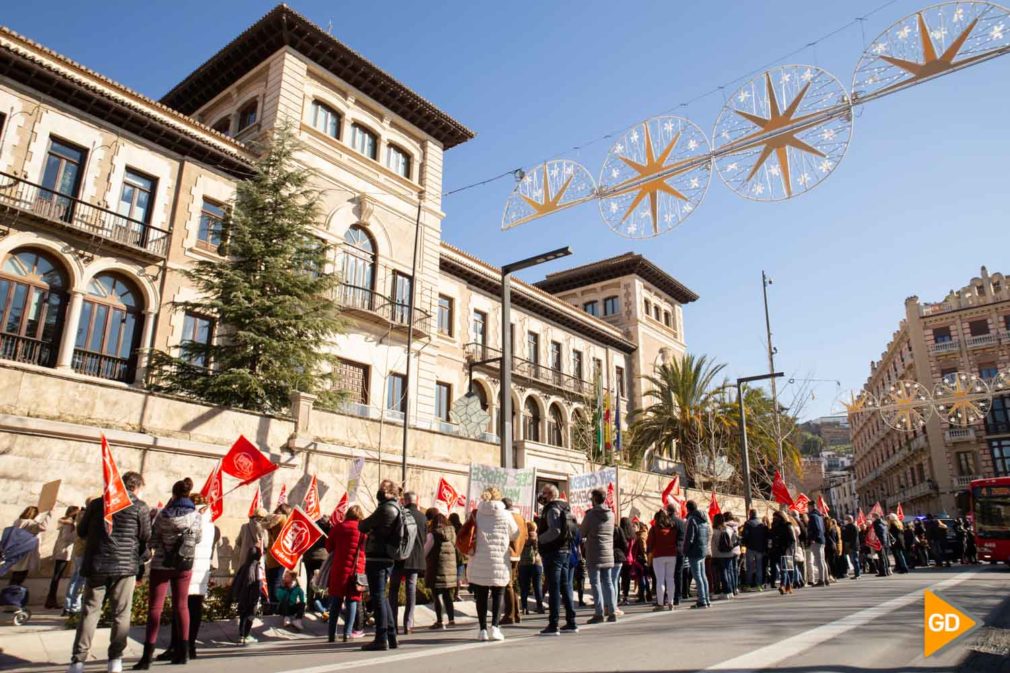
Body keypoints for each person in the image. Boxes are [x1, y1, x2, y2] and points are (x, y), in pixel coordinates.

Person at [68, 471, 150, 673]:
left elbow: (82, 531)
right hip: (125, 566)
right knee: (121, 614)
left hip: (97, 564)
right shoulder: (139, 506)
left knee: (89, 612)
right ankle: (115, 660)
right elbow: (146, 535)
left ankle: (78, 661)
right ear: (136, 487)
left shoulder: (98, 504)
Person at [136, 478, 203, 669]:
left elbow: (153, 541)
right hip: (184, 565)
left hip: (162, 565)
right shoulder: (196, 516)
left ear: (173, 494)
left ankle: (147, 656)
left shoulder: (164, 514)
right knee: (182, 607)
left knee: (155, 608)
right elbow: (197, 538)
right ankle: (183, 653)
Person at [155, 494, 217, 663]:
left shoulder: (189, 520)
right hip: (201, 572)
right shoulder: (212, 526)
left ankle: (176, 646)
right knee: (195, 611)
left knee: (180, 609)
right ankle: (190, 646)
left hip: (186, 569)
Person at [467, 486, 518, 642]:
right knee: (497, 595)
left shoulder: (476, 513)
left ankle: (482, 629)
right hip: (499, 561)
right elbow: (515, 534)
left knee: (481, 596)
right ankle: (495, 628)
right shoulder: (506, 514)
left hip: (479, 560)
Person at [358, 479, 401, 651]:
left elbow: (363, 525)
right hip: (388, 557)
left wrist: (369, 527)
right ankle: (391, 636)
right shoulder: (397, 507)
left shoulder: (386, 508)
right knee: (382, 597)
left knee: (378, 597)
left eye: (382, 489)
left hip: (378, 557)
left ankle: (381, 638)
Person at [536, 484, 579, 636]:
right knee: (565, 585)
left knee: (554, 587)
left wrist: (539, 539)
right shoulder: (565, 507)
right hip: (565, 550)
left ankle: (553, 624)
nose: (542, 496)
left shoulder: (552, 509)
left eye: (544, 493)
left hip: (554, 552)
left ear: (551, 494)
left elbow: (555, 530)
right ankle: (571, 621)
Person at [325, 504, 366, 642]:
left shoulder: (338, 528)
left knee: (336, 602)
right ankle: (347, 633)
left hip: (339, 569)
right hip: (356, 571)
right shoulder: (363, 530)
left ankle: (331, 634)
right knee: (352, 601)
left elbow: (329, 547)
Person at [389, 491, 426, 635]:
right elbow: (423, 538)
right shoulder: (423, 517)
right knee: (411, 591)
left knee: (393, 590)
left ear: (404, 501)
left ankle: (392, 621)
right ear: (416, 501)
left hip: (399, 558)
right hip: (415, 559)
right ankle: (408, 624)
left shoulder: (400, 514)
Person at [580, 488, 616, 624]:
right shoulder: (611, 515)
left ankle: (599, 613)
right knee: (608, 582)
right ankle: (612, 611)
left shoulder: (590, 515)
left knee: (595, 583)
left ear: (595, 499)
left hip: (594, 552)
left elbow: (582, 532)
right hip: (608, 552)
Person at [423, 506, 457, 629]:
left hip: (436, 568)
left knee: (437, 595)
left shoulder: (433, 534)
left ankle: (440, 621)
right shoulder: (452, 533)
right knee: (448, 595)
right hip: (450, 571)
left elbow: (425, 551)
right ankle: (452, 619)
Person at [499, 497, 528, 626]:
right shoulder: (521, 518)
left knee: (508, 584)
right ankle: (516, 613)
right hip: (517, 553)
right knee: (512, 584)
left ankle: (509, 614)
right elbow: (526, 536)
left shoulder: (507, 517)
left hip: (508, 552)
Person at [8, 505, 52, 586]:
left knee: (15, 573)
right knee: (21, 573)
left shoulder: (18, 521)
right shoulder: (30, 523)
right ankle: (14, 593)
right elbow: (43, 527)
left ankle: (10, 591)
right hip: (25, 551)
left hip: (17, 549)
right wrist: (48, 515)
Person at [46, 506, 80, 608]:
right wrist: (77, 532)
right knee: (57, 576)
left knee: (57, 576)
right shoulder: (68, 523)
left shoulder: (66, 522)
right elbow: (67, 537)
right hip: (63, 552)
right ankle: (51, 600)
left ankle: (51, 599)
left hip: (62, 552)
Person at [232, 545, 265, 645]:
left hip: (242, 596)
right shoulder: (257, 568)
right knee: (250, 616)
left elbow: (237, 582)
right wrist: (257, 598)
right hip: (252, 597)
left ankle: (241, 636)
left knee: (243, 616)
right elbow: (258, 584)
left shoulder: (244, 566)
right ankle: (247, 635)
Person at [646, 509, 677, 611]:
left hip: (658, 556)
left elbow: (650, 543)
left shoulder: (654, 529)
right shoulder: (672, 528)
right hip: (672, 555)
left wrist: (649, 557)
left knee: (660, 580)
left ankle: (660, 604)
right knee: (670, 579)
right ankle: (671, 602)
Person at [64, 502, 90, 616]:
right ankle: (74, 606)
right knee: (80, 580)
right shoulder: (84, 516)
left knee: (76, 579)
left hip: (80, 551)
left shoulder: (81, 516)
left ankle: (69, 605)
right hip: (83, 550)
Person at [683, 501, 711, 608]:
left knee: (698, 576)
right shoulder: (703, 519)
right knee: (703, 576)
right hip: (702, 550)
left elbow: (690, 537)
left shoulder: (692, 520)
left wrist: (685, 551)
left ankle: (702, 600)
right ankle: (706, 599)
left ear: (688, 509)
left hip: (694, 551)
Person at [303, 513, 331, 618]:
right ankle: (321, 602)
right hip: (323, 556)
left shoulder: (312, 526)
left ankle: (310, 603)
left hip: (309, 556)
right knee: (323, 580)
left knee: (310, 580)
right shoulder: (330, 528)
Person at [264, 504, 292, 605]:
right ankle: (277, 606)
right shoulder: (283, 520)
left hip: (270, 554)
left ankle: (272, 605)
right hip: (280, 554)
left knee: (271, 582)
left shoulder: (270, 519)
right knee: (277, 581)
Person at [518, 521, 544, 614]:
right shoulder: (537, 537)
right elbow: (538, 549)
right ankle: (540, 607)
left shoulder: (521, 537)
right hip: (536, 563)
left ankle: (524, 608)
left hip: (523, 564)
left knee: (524, 587)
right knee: (537, 586)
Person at [741, 509, 768, 591]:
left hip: (750, 547)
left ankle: (748, 585)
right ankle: (759, 585)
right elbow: (765, 537)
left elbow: (745, 535)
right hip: (760, 548)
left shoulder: (747, 523)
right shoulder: (761, 524)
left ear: (750, 514)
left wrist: (744, 543)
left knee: (750, 567)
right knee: (759, 567)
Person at [771, 510, 796, 595]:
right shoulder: (774, 526)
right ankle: (788, 586)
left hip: (784, 550)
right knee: (783, 568)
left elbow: (792, 539)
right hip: (776, 550)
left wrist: (787, 548)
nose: (774, 519)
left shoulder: (787, 525)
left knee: (783, 569)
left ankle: (782, 585)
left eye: (776, 517)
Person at [667, 504, 688, 606]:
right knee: (678, 574)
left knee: (669, 575)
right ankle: (678, 597)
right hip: (680, 549)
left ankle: (669, 596)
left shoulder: (667, 521)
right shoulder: (681, 522)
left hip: (670, 550)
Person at [807, 506, 830, 586]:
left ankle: (821, 580)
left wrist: (813, 538)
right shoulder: (820, 516)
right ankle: (826, 578)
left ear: (811, 507)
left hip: (816, 540)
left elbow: (816, 529)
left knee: (819, 561)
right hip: (821, 540)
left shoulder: (813, 516)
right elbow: (822, 529)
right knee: (822, 561)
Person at [612, 517, 629, 610]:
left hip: (609, 556)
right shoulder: (619, 529)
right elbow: (624, 544)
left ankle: (611, 603)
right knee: (615, 581)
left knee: (609, 581)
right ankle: (614, 604)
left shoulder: (605, 529)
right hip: (618, 556)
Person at [632, 523, 652, 603]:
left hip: (641, 559)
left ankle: (642, 596)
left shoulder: (641, 536)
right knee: (645, 578)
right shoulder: (646, 534)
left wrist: (645, 559)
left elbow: (644, 548)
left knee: (642, 578)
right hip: (644, 559)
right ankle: (648, 595)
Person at [616, 517, 634, 605]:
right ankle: (626, 597)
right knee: (627, 579)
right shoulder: (632, 536)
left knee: (617, 579)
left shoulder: (619, 533)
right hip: (629, 559)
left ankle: (617, 597)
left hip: (620, 558)